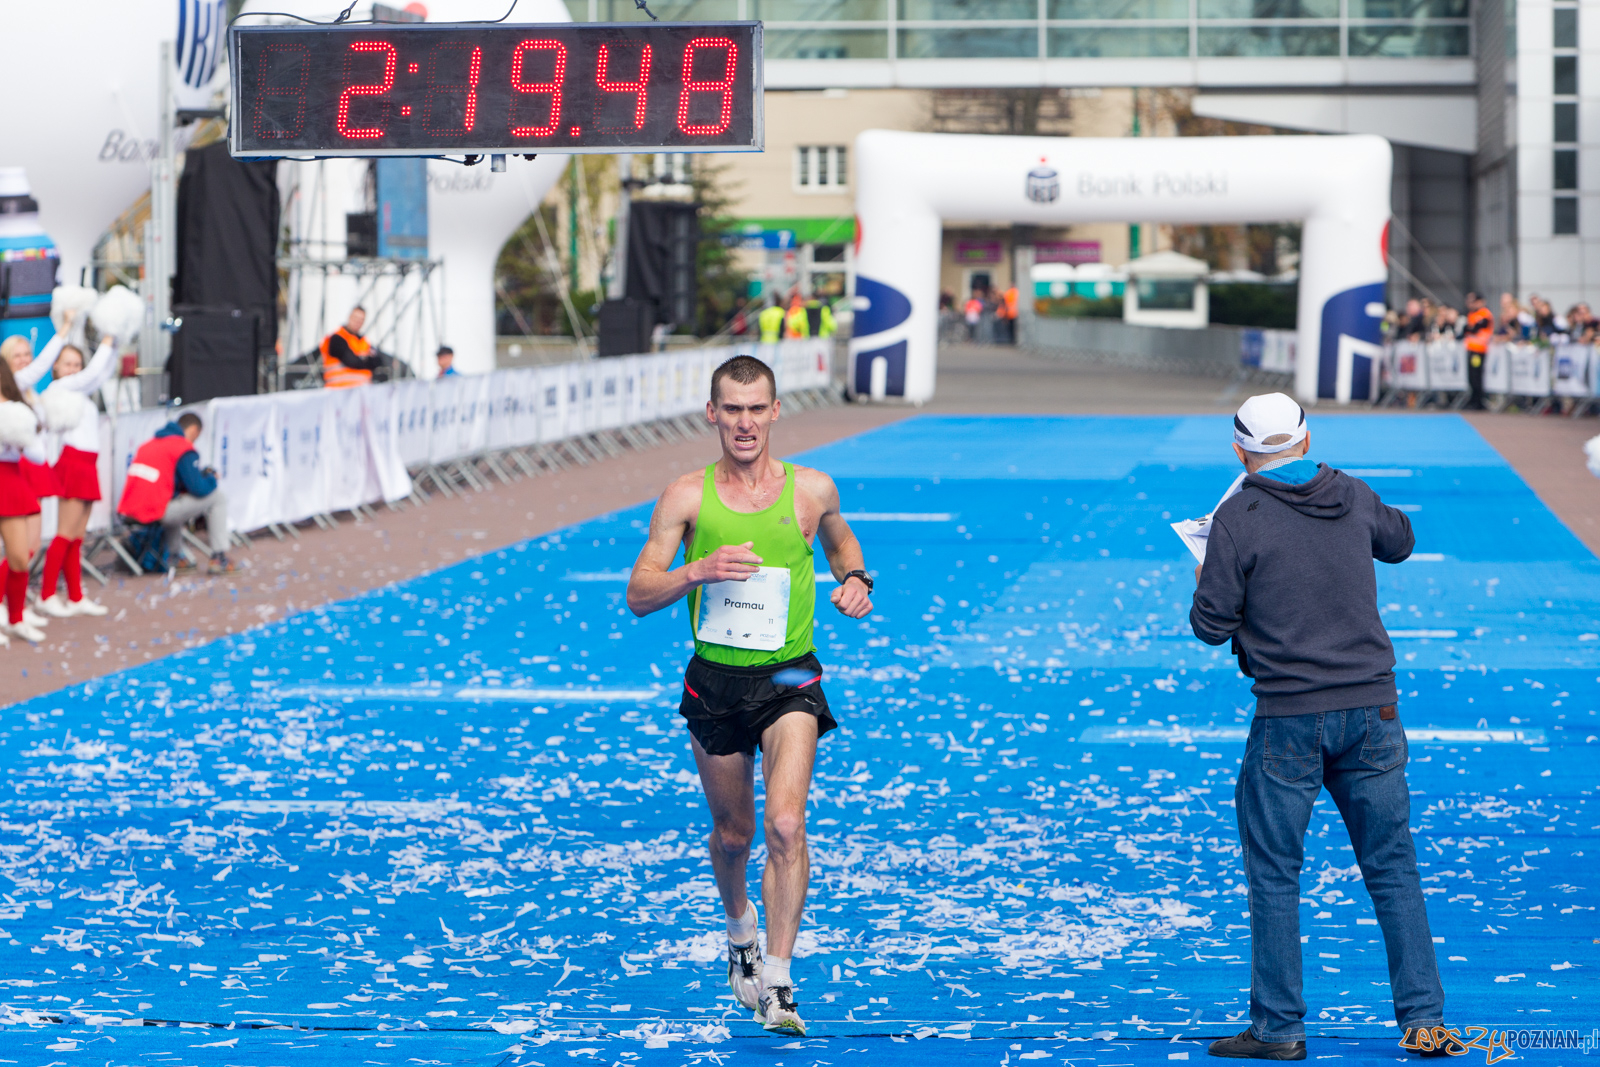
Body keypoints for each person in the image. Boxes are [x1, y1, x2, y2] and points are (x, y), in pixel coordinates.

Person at [1190, 393, 1446, 1060]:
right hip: (1373, 708)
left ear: (1240, 452)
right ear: (1306, 438)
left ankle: (1279, 1028)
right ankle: (1423, 1018)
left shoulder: (1235, 516)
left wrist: (1207, 573)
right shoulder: (1353, 493)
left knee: (1275, 874)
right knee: (1393, 868)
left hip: (1289, 717)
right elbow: (1402, 540)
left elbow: (1209, 625)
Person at [625, 355, 873, 1038]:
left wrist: (856, 578)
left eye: (755, 407)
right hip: (715, 681)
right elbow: (639, 595)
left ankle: (781, 982)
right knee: (734, 835)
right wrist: (696, 569)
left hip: (792, 676)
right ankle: (741, 933)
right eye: (730, 408)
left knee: (786, 824)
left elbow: (840, 538)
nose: (743, 421)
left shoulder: (810, 488)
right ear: (712, 413)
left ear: (774, 412)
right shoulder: (685, 496)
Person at [36, 334, 119, 618]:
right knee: (63, 535)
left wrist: (116, 342)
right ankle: (46, 594)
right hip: (73, 463)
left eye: (77, 364)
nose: (73, 369)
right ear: (56, 367)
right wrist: (107, 342)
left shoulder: (81, 393)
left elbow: (102, 373)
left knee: (76, 538)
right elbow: (94, 373)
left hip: (88, 464)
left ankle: (75, 595)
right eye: (67, 363)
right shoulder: (61, 388)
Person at [116, 412, 239, 576]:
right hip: (156, 511)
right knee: (217, 498)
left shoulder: (148, 444)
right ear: (194, 430)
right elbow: (197, 488)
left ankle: (175, 557)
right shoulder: (182, 447)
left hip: (129, 511)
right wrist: (210, 478)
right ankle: (219, 557)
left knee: (174, 502)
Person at [0, 358, 47, 644]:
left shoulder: (17, 412)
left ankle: (16, 618)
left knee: (19, 557)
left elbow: (39, 457)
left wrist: (20, 439)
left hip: (10, 482)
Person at [319, 307, 388, 388]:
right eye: (355, 318)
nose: (358, 322)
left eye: (361, 319)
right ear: (350, 317)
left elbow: (378, 361)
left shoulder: (364, 342)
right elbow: (351, 361)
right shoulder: (337, 339)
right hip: (339, 392)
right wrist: (367, 360)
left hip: (362, 392)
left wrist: (363, 360)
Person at [1463, 292, 1493, 410]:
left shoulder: (1485, 314)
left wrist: (1470, 328)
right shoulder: (1471, 314)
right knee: (1471, 376)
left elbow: (1474, 329)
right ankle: (1473, 399)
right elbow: (1465, 329)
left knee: (1477, 375)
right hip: (1471, 348)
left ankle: (1479, 401)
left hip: (1479, 350)